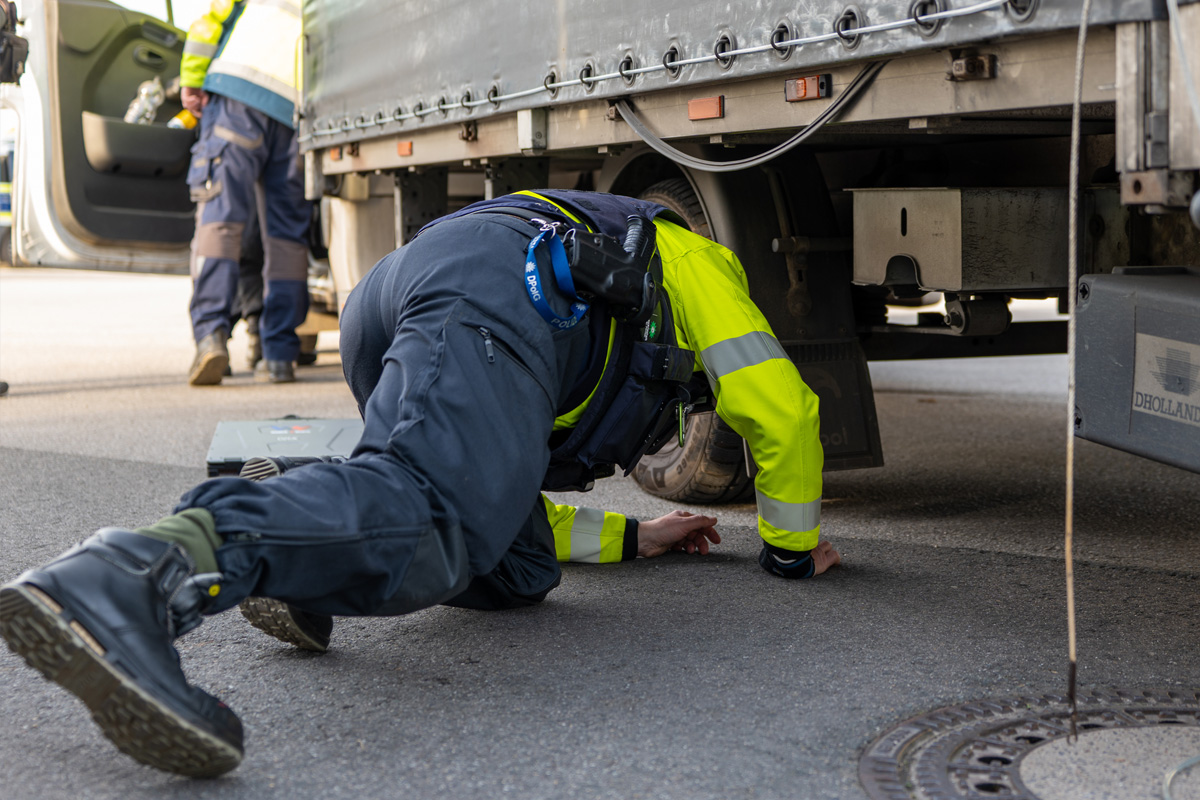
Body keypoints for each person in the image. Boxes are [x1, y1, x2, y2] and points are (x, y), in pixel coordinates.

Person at [0, 189, 839, 778]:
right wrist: (791, 553)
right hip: (500, 288)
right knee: (437, 522)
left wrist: (634, 537)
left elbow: (500, 475)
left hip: (409, 287)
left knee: (515, 574)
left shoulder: (609, 293)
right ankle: (134, 578)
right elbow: (785, 412)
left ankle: (306, 534)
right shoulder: (698, 264)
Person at [182, 0, 310, 386]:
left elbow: (212, 18)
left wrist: (192, 77)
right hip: (299, 109)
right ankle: (279, 355)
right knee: (287, 236)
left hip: (240, 89)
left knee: (220, 219)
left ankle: (211, 336)